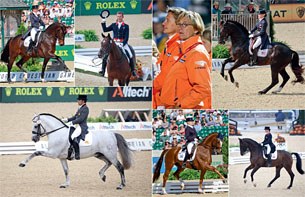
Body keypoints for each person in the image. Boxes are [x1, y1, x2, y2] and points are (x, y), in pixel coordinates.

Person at [159, 11, 211, 109]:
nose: (180, 27)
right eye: (179, 24)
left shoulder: (197, 53)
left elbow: (203, 88)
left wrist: (182, 106)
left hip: (184, 108)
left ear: (196, 29)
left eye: (185, 24)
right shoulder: (186, 51)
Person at [153, 7, 185, 109]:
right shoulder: (169, 44)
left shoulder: (179, 46)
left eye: (167, 20)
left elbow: (166, 76)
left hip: (170, 101)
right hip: (163, 99)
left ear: (179, 24)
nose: (163, 23)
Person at [100, 11, 137, 77]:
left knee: (130, 55)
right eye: (118, 16)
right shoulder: (114, 25)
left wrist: (122, 44)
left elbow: (126, 37)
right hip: (115, 43)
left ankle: (133, 70)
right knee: (106, 55)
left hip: (123, 43)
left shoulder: (126, 26)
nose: (119, 18)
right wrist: (103, 21)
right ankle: (102, 70)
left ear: (123, 17)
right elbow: (105, 30)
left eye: (120, 16)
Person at [62, 95, 89, 160]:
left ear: (82, 101)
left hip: (81, 126)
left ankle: (77, 154)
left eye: (79, 100)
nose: (77, 101)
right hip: (77, 125)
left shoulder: (85, 108)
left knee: (73, 136)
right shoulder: (80, 108)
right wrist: (67, 119)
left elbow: (81, 119)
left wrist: (72, 123)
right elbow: (75, 117)